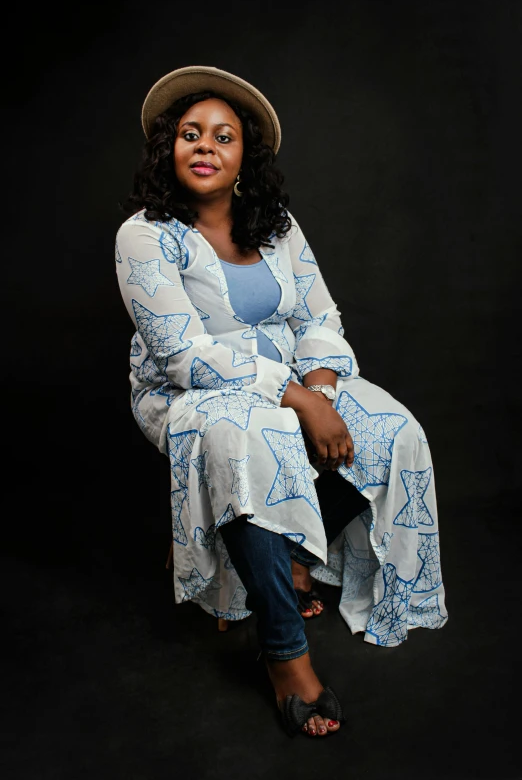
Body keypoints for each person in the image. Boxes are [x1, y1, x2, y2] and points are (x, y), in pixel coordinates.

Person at [115, 65, 448, 738]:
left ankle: (291, 560)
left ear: (244, 157)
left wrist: (321, 390)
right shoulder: (144, 236)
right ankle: (284, 649)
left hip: (294, 382)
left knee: (394, 432)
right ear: (169, 149)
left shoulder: (276, 225)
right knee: (248, 440)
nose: (205, 146)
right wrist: (298, 399)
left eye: (223, 136)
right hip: (192, 391)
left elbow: (322, 316)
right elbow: (185, 355)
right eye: (190, 134)